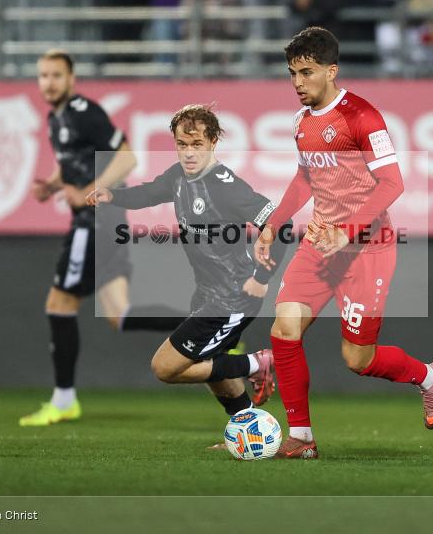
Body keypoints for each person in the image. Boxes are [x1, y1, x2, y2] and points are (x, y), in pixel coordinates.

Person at [254, 27, 433, 459]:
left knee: (358, 360)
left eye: (306, 72)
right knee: (284, 329)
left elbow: (392, 182)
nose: (297, 82)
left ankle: (430, 377)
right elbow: (306, 178)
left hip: (367, 248)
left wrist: (349, 231)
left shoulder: (362, 116)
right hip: (318, 243)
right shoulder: (301, 122)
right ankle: (301, 438)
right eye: (291, 73)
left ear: (332, 70)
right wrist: (274, 222)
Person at [86, 104, 290, 420]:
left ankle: (258, 363)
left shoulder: (226, 187)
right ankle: (246, 424)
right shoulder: (178, 176)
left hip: (233, 296)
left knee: (165, 367)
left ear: (212, 144)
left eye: (197, 145)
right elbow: (150, 192)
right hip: (208, 294)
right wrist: (113, 196)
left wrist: (261, 280)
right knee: (211, 365)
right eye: (182, 145)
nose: (189, 153)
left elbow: (282, 225)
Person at [19, 50, 182, 427]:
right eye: (43, 75)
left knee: (59, 302)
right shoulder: (55, 117)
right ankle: (205, 323)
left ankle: (63, 401)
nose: (48, 82)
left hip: (96, 219)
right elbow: (70, 158)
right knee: (119, 314)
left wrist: (89, 190)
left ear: (72, 78)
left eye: (56, 75)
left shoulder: (83, 111)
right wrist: (52, 185)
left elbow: (126, 158)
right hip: (102, 218)